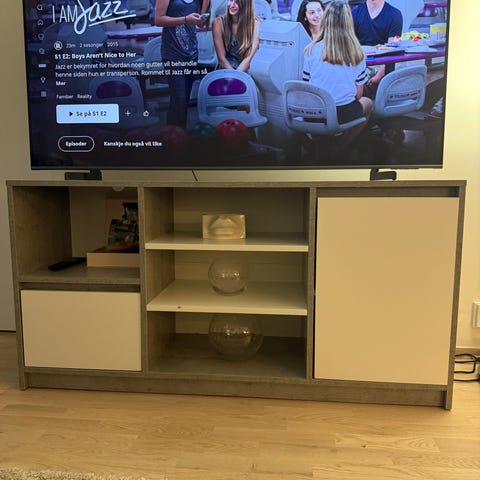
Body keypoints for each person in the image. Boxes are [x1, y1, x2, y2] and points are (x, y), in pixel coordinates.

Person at [303, 0, 372, 145]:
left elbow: (307, 86)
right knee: (368, 103)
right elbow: (358, 95)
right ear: (349, 22)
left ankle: (322, 147)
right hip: (342, 113)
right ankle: (342, 147)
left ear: (326, 20)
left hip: (314, 113)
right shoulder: (358, 53)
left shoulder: (310, 49)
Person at [154, 0, 210, 128]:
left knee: (184, 100)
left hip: (192, 53)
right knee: (178, 98)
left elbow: (200, 23)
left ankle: (181, 134)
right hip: (173, 53)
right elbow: (158, 20)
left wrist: (205, 5)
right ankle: (173, 135)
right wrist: (185, 19)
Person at [351, 0, 402, 93]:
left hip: (383, 65)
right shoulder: (355, 13)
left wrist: (380, 73)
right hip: (360, 63)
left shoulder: (395, 14)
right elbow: (350, 45)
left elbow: (392, 50)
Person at [212, 0, 261, 72]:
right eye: (231, 0)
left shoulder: (256, 25)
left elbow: (249, 58)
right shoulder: (218, 23)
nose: (232, 5)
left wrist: (238, 76)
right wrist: (233, 76)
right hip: (225, 70)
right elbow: (222, 60)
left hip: (247, 70)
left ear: (246, 4)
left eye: (237, 2)